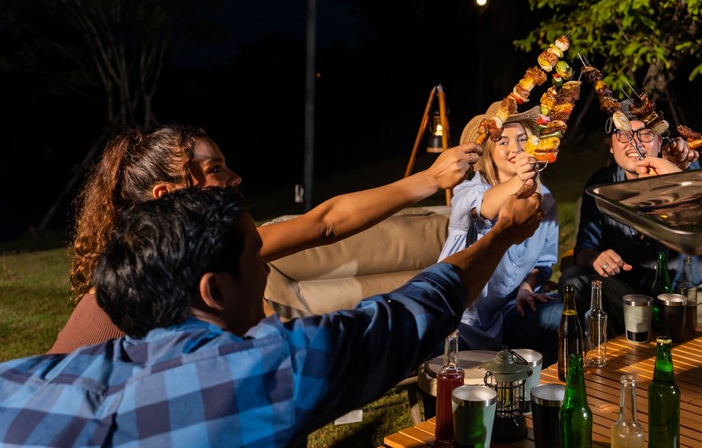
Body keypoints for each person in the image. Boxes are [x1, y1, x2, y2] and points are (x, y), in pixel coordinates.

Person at [0, 183, 543, 446]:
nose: (266, 267)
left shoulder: (24, 382)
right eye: (254, 255)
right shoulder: (259, 373)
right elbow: (408, 318)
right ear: (213, 291)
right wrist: (502, 235)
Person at [50, 123, 481, 354]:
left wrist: (431, 178)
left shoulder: (223, 255)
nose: (236, 178)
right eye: (216, 169)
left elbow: (325, 223)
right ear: (169, 194)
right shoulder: (111, 305)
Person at [559, 100, 702, 339]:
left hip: (700, 296)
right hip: (638, 298)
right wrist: (597, 258)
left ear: (660, 141)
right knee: (574, 281)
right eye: (623, 134)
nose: (633, 142)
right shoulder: (601, 186)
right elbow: (584, 249)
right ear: (610, 145)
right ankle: (599, 367)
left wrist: (681, 177)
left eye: (644, 134)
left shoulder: (684, 171)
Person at [436, 102, 560, 362]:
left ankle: (546, 394)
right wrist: (521, 180)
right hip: (461, 318)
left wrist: (527, 286)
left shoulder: (544, 199)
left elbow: (544, 262)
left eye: (522, 140)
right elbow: (484, 208)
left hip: (508, 310)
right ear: (489, 152)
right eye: (503, 142)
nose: (515, 148)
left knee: (558, 315)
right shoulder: (468, 192)